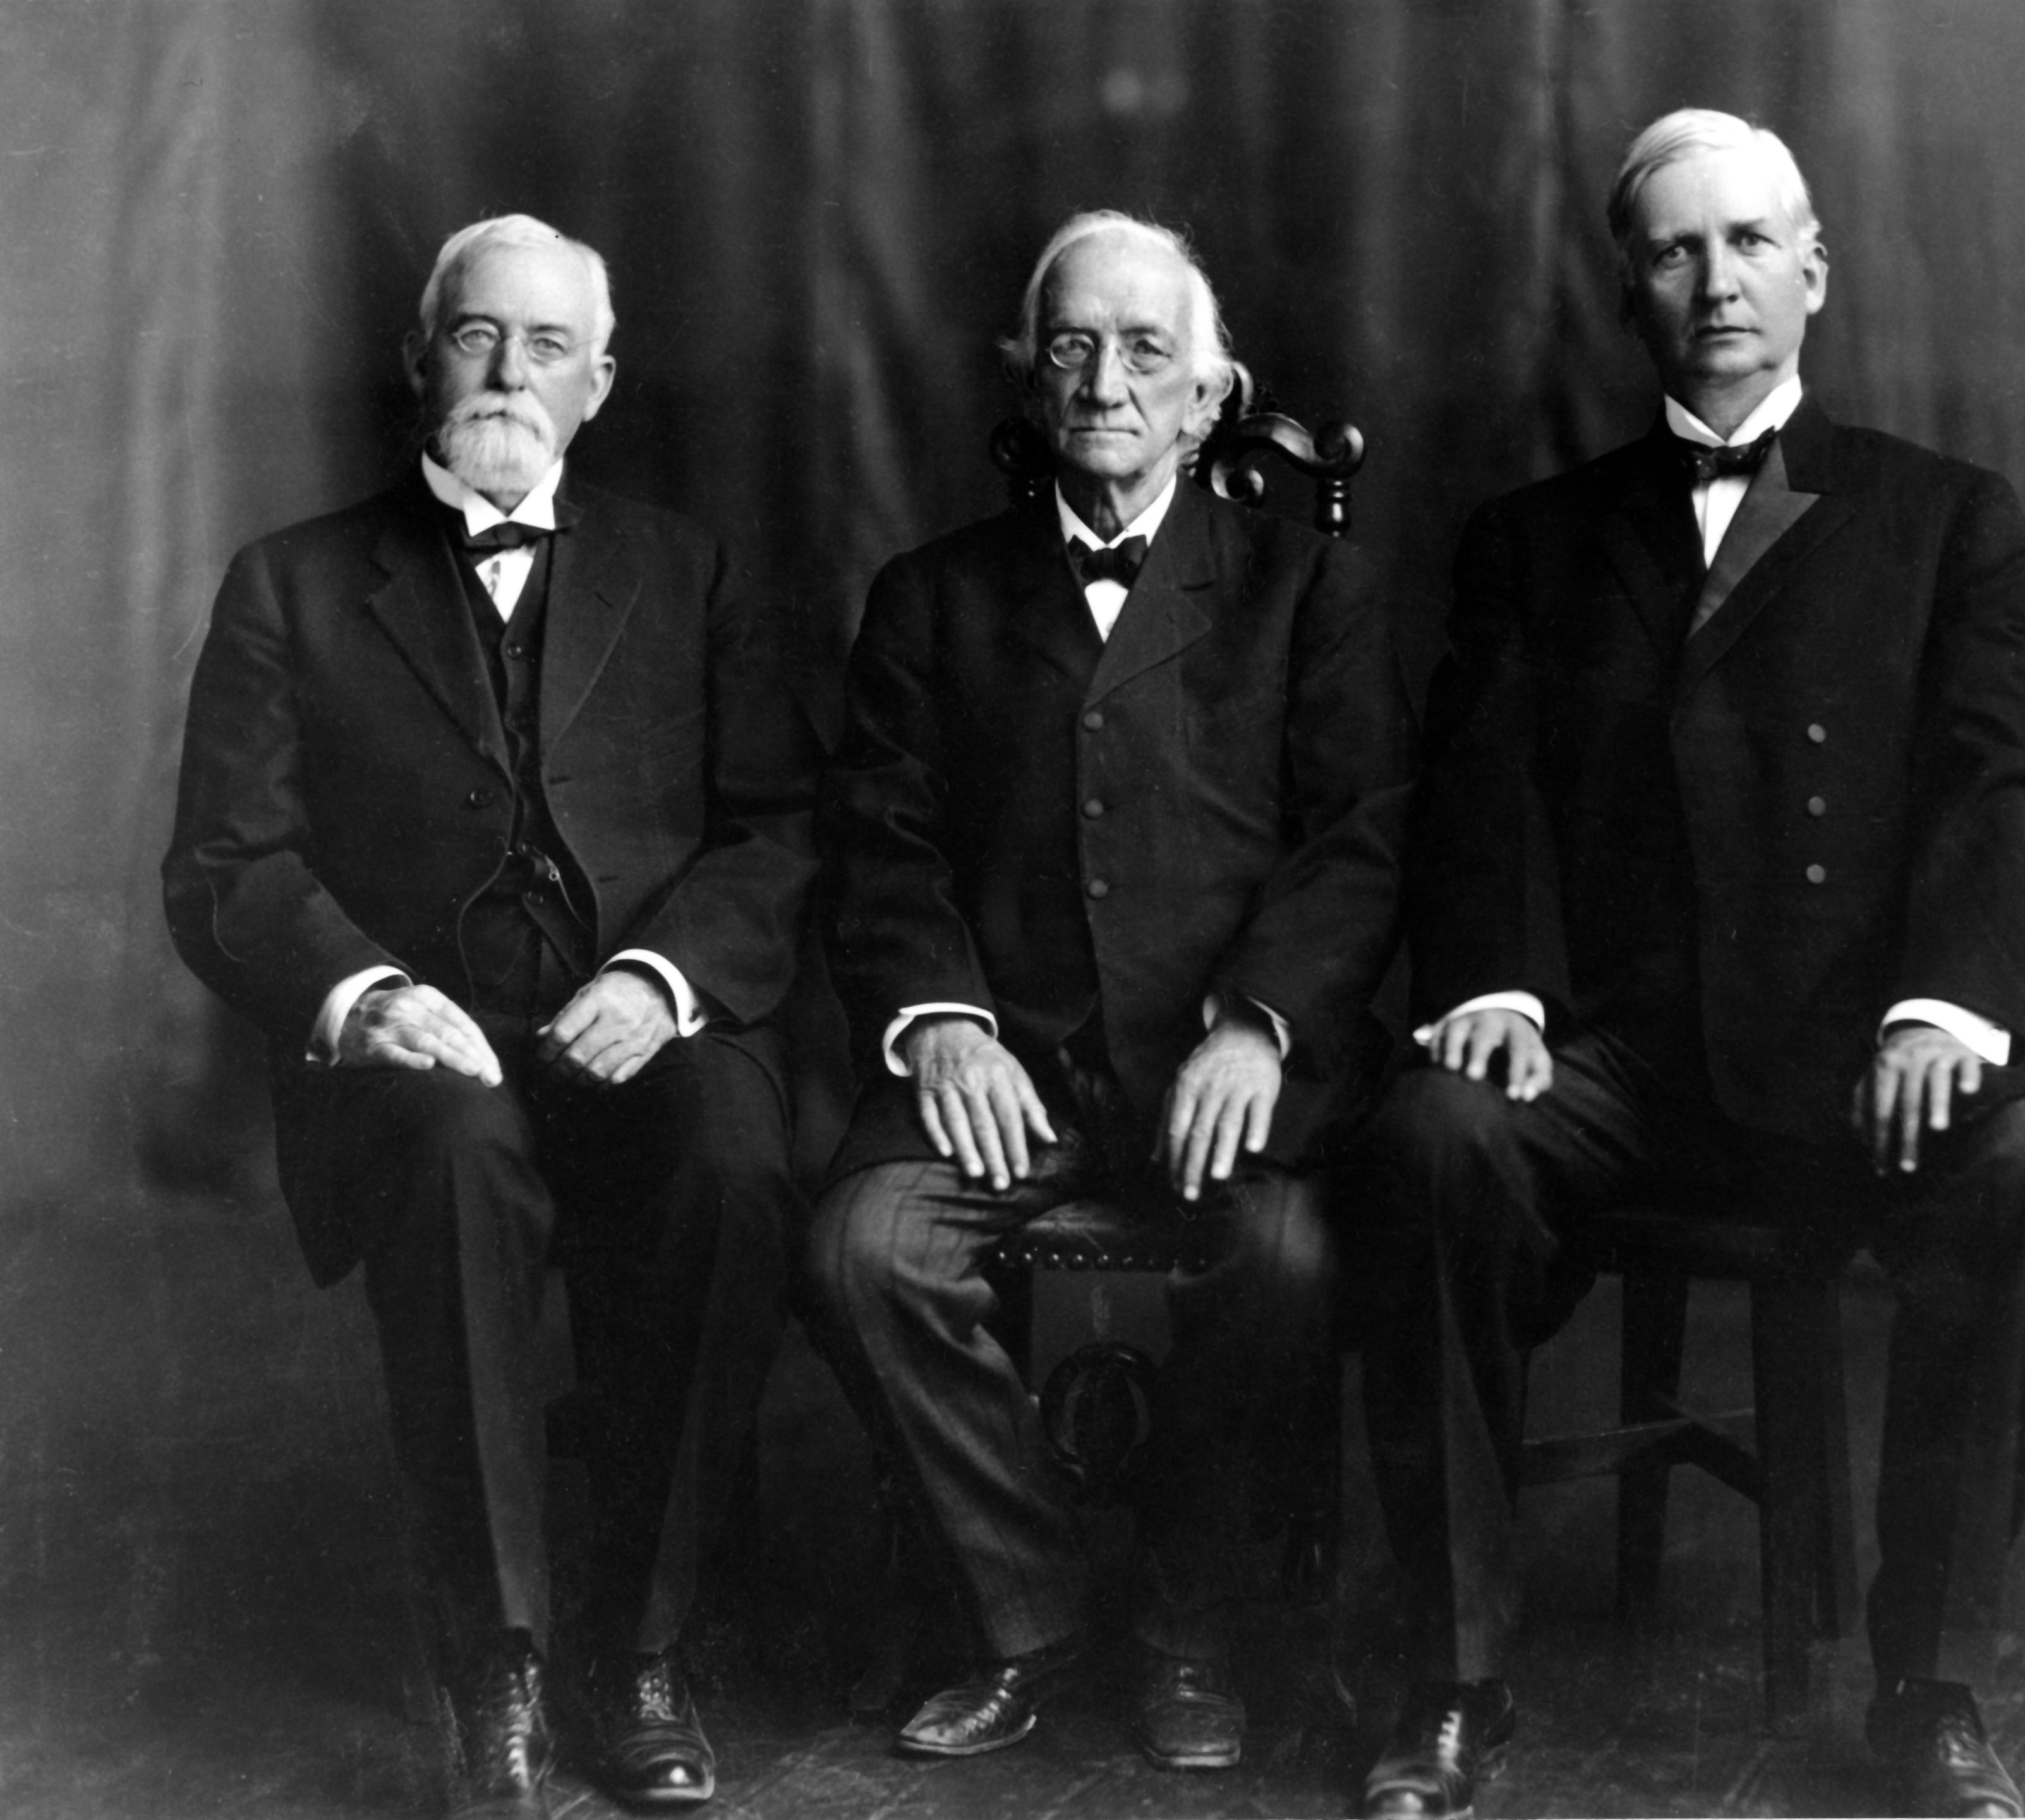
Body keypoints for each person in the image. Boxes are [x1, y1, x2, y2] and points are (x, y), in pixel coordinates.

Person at [1356, 111, 2025, 1820]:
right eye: (1677, 251)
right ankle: (1454, 1681)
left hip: (1856, 1062)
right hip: (1617, 1060)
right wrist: (1499, 986)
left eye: (1750, 243)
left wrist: (1943, 1008)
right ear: (1633, 294)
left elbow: (2002, 784)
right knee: (1428, 1142)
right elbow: (1473, 786)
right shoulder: (1535, 539)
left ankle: (1935, 1684)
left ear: (1813, 273)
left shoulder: (1943, 516)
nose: (1717, 281)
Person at [162, 215, 817, 1818]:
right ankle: (500, 1671)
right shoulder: (293, 583)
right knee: (458, 1162)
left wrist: (662, 985)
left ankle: (639, 1654)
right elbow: (225, 862)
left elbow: (778, 830)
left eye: (545, 346)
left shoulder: (690, 567)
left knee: (736, 1156)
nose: (508, 372)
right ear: (419, 360)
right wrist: (364, 992)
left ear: (599, 382)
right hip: (424, 1059)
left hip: (634, 1027)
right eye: (477, 336)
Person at [802, 210, 1410, 1772]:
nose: (1106, 381)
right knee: (867, 1249)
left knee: (1282, 1257)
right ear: (1030, 376)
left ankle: (1191, 1628)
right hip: (1013, 1072)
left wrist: (1260, 1025)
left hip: (1216, 1075)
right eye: (1071, 344)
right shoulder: (931, 598)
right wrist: (942, 1019)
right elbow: (881, 841)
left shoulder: (1304, 587)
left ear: (1213, 397)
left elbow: (1360, 839)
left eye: (1148, 350)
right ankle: (1037, 1611)